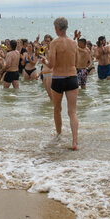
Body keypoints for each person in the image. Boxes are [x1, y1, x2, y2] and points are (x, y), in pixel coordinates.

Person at [40, 17, 79, 150]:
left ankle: (58, 134)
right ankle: (74, 142)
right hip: (72, 77)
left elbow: (51, 65)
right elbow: (77, 62)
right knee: (72, 112)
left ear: (56, 28)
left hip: (58, 78)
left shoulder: (54, 43)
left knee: (57, 109)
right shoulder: (74, 43)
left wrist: (44, 61)